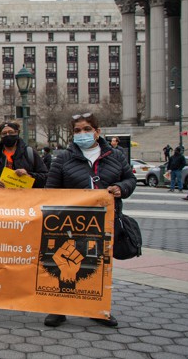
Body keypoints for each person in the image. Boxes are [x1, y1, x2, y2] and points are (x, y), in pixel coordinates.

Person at [44, 112, 135, 328]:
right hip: (70, 224)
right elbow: (50, 190)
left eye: (86, 129)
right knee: (65, 263)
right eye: (77, 130)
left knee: (99, 267)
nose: (82, 134)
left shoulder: (116, 156)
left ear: (97, 131)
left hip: (105, 223)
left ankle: (98, 309)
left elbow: (130, 179)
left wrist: (121, 188)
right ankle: (59, 308)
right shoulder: (63, 159)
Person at [0, 122, 47, 189]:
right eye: (4, 133)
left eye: (11, 132)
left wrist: (29, 175)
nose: (8, 135)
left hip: (25, 198)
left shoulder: (30, 152)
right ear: (0, 135)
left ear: (17, 133)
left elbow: (45, 177)